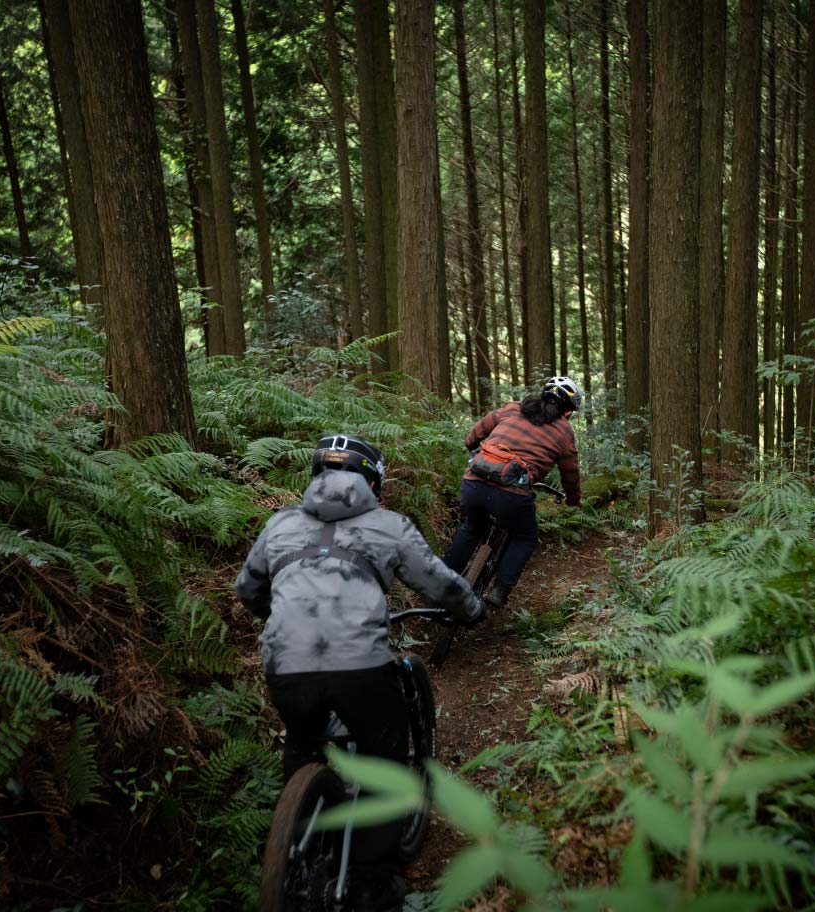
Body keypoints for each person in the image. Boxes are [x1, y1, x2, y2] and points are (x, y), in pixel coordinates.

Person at [235, 433, 482, 909]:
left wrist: (287, 622)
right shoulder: (388, 525)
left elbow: (248, 590)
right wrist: (470, 609)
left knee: (304, 740)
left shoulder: (280, 523)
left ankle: (300, 849)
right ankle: (373, 880)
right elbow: (438, 581)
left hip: (285, 665)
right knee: (383, 762)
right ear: (374, 482)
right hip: (360, 667)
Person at [442, 377, 583, 609]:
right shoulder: (564, 431)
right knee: (525, 537)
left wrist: (472, 445)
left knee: (471, 528)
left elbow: (476, 433)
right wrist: (573, 500)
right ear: (568, 411)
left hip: (474, 481)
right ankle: (499, 589)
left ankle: (440, 579)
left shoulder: (513, 408)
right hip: (511, 494)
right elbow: (570, 472)